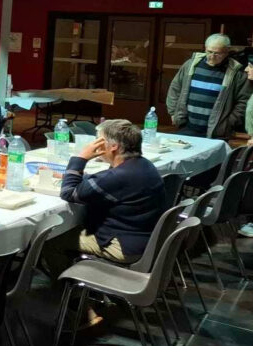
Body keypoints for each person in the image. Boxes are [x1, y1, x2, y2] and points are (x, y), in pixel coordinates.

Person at [47, 119, 168, 271]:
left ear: (113, 146)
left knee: (51, 238)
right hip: (147, 239)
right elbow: (104, 182)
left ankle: (67, 289)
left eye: (99, 140)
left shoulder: (117, 176)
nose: (95, 145)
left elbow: (68, 193)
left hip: (124, 245)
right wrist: (71, 176)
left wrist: (81, 158)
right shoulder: (144, 164)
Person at [165, 33, 251, 138]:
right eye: (209, 51)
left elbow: (243, 101)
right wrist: (174, 112)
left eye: (217, 53)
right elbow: (175, 88)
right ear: (205, 48)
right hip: (187, 126)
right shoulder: (190, 65)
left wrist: (229, 123)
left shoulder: (236, 73)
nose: (212, 56)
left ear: (227, 51)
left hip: (218, 131)